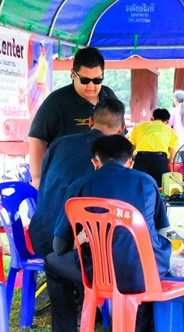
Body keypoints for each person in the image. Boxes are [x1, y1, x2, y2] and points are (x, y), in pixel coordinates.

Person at [47, 134, 171, 332]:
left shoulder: (79, 185)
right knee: (145, 260)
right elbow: (162, 230)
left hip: (98, 274)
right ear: (130, 162)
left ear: (95, 162)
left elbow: (59, 247)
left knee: (51, 261)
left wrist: (81, 239)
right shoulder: (147, 182)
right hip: (146, 273)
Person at [29, 98, 126, 257]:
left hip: (41, 235)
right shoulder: (110, 156)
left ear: (91, 121)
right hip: (70, 245)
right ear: (121, 129)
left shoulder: (59, 143)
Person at [28, 47, 118, 189]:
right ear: (72, 74)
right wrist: (38, 178)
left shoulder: (109, 97)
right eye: (85, 80)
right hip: (66, 182)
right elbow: (37, 138)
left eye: (97, 80)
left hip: (104, 180)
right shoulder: (56, 101)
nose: (91, 86)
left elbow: (120, 137)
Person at [129, 108, 179, 187]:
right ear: (167, 122)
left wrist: (134, 159)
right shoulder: (171, 132)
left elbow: (132, 147)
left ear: (152, 119)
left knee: (138, 186)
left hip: (141, 159)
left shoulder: (139, 127)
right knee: (160, 187)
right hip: (160, 161)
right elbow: (171, 157)